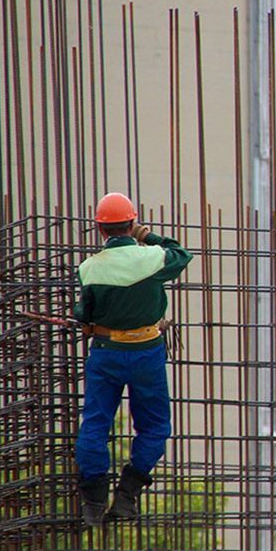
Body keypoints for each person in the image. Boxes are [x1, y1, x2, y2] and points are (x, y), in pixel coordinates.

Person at [74, 192, 193, 527]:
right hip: (146, 351)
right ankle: (127, 494)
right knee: (155, 427)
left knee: (95, 424)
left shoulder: (89, 268)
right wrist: (146, 235)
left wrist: (88, 322)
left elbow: (85, 313)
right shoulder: (152, 258)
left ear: (99, 228)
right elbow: (182, 254)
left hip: (106, 352)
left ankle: (93, 503)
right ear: (132, 222)